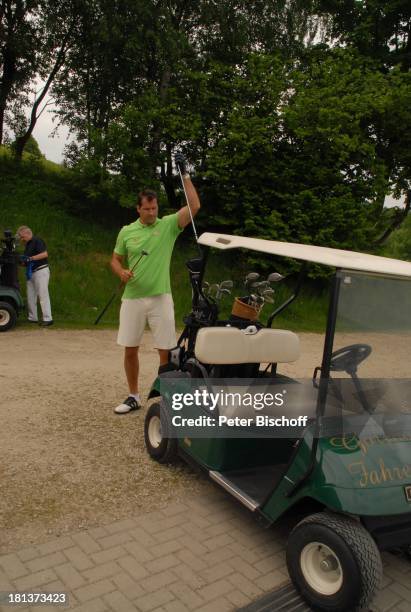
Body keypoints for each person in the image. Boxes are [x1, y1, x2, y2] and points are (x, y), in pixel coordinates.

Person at [111, 153, 200, 414]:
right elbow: (114, 260)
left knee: (165, 350)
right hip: (133, 298)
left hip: (161, 297)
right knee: (130, 348)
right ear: (138, 209)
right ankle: (133, 396)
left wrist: (185, 174)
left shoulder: (169, 226)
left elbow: (194, 207)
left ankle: (166, 401)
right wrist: (121, 272)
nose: (151, 212)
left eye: (154, 208)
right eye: (147, 209)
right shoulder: (127, 231)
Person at [17, 226, 53, 326]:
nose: (21, 239)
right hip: (31, 272)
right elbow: (27, 260)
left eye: (22, 237)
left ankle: (48, 318)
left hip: (41, 271)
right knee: (30, 295)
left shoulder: (37, 240)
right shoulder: (28, 244)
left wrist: (30, 258)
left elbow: (45, 254)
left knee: (43, 295)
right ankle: (33, 318)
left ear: (28, 233)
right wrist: (22, 262)